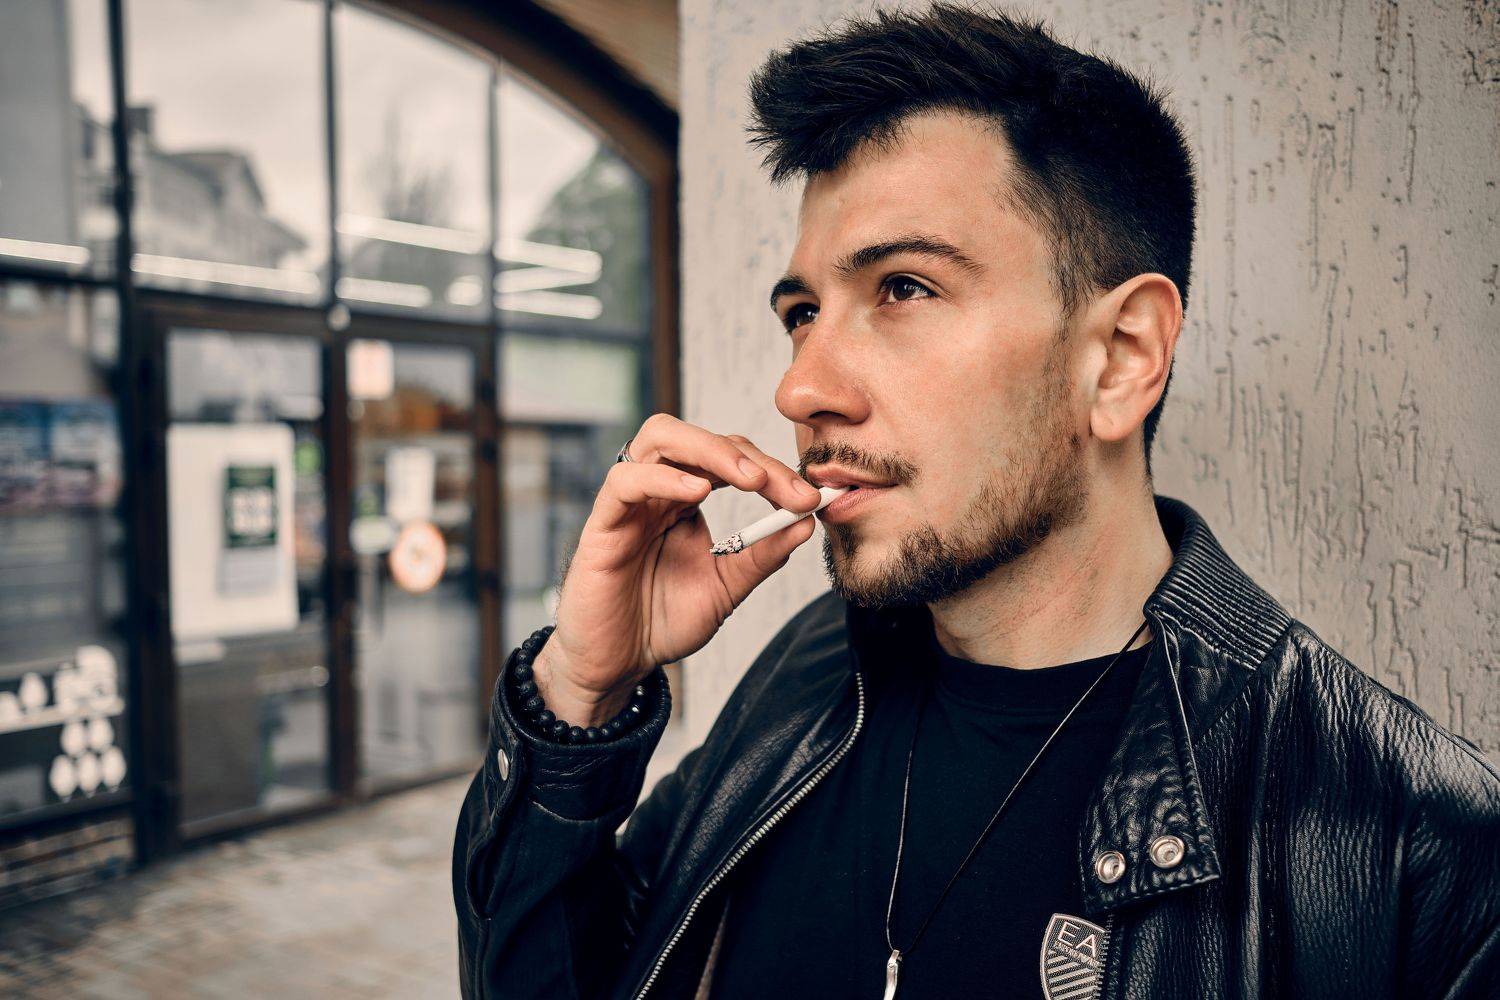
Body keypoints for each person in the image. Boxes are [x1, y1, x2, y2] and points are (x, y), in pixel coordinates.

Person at [452, 5, 1500, 998]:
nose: (800, 389)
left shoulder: (1416, 858)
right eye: (803, 311)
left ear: (1121, 356)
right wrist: (579, 696)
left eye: (903, 288)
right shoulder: (810, 673)